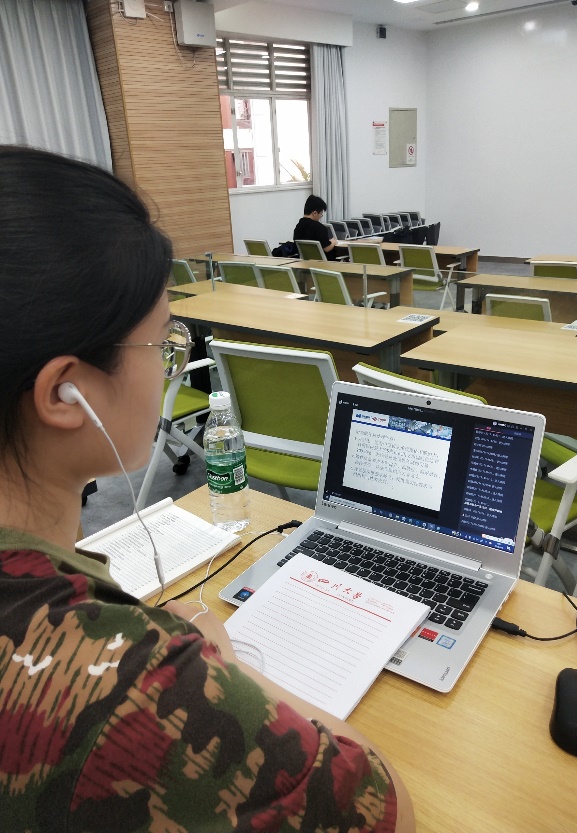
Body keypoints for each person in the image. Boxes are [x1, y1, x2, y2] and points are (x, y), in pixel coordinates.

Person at [0, 146, 414, 833]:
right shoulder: (125, 682)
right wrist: (214, 665)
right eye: (162, 341)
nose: (171, 361)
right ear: (65, 394)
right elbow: (380, 802)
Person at [293, 194, 339, 260]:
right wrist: (333, 242)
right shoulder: (319, 227)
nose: (320, 216)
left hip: (305, 263)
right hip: (323, 263)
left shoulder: (298, 227)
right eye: (321, 214)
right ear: (314, 213)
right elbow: (327, 248)